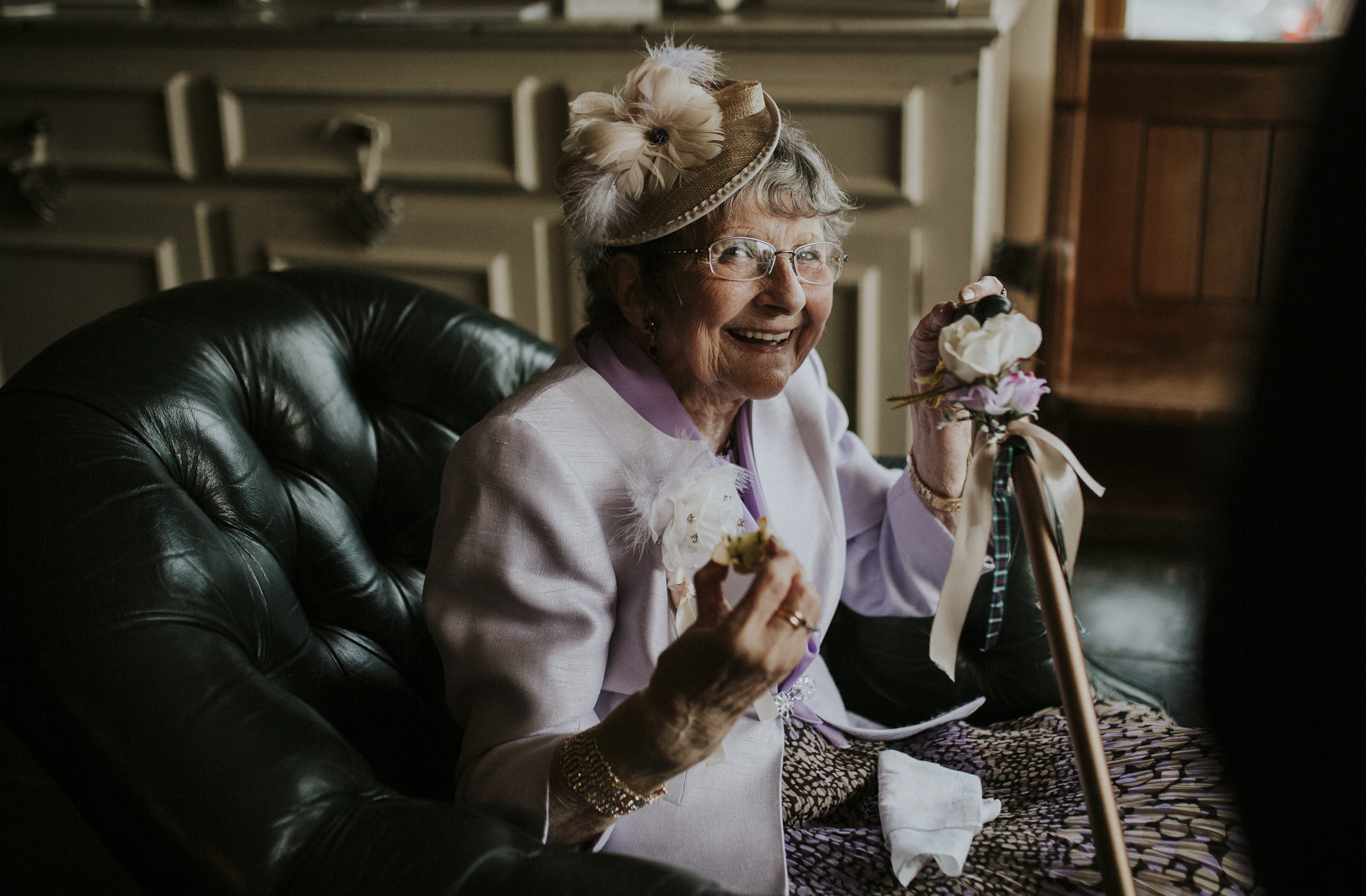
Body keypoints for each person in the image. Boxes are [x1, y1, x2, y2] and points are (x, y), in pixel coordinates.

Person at [426, 44, 1249, 896]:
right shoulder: (525, 461)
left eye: (809, 253)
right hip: (707, 843)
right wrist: (673, 723)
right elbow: (501, 801)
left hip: (845, 762)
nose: (790, 295)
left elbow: (881, 571)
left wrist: (937, 426)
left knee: (1186, 788)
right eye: (741, 253)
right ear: (638, 294)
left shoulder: (786, 388)